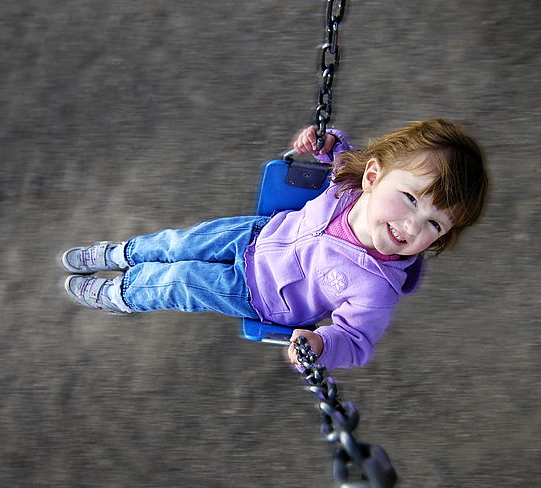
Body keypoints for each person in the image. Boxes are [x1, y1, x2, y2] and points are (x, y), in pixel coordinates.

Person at [59, 119, 488, 371]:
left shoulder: (376, 287)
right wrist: (323, 142)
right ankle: (120, 254)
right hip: (260, 233)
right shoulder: (350, 185)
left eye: (434, 223)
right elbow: (338, 152)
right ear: (374, 177)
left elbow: (355, 341)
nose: (411, 225)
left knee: (181, 280)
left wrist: (321, 347)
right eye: (410, 199)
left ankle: (121, 294)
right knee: (179, 242)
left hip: (262, 295)